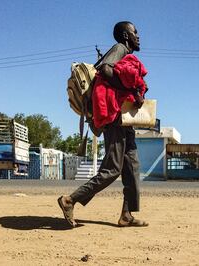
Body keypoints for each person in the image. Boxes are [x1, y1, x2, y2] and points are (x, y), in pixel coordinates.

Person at [58, 21, 148, 228]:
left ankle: (126, 215)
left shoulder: (127, 53)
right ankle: (69, 200)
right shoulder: (120, 49)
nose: (139, 36)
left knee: (132, 168)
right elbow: (105, 70)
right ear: (126, 35)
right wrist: (133, 92)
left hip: (125, 121)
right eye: (135, 32)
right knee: (112, 169)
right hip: (114, 119)